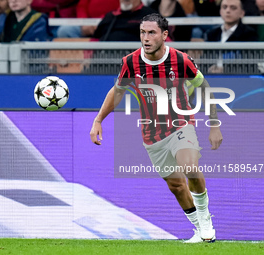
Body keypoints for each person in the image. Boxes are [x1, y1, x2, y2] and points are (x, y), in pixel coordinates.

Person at [90, 13, 223, 243]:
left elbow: (205, 88)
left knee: (190, 167)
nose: (146, 38)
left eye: (151, 33)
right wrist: (98, 119)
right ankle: (199, 231)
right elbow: (117, 92)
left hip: (181, 123)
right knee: (176, 186)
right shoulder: (131, 62)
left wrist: (214, 124)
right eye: (142, 32)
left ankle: (205, 219)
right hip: (152, 132)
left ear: (164, 35)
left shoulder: (181, 60)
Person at [92, 0, 157, 41]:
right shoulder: (110, 16)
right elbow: (95, 40)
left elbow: (162, 40)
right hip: (106, 59)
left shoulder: (150, 15)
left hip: (137, 60)